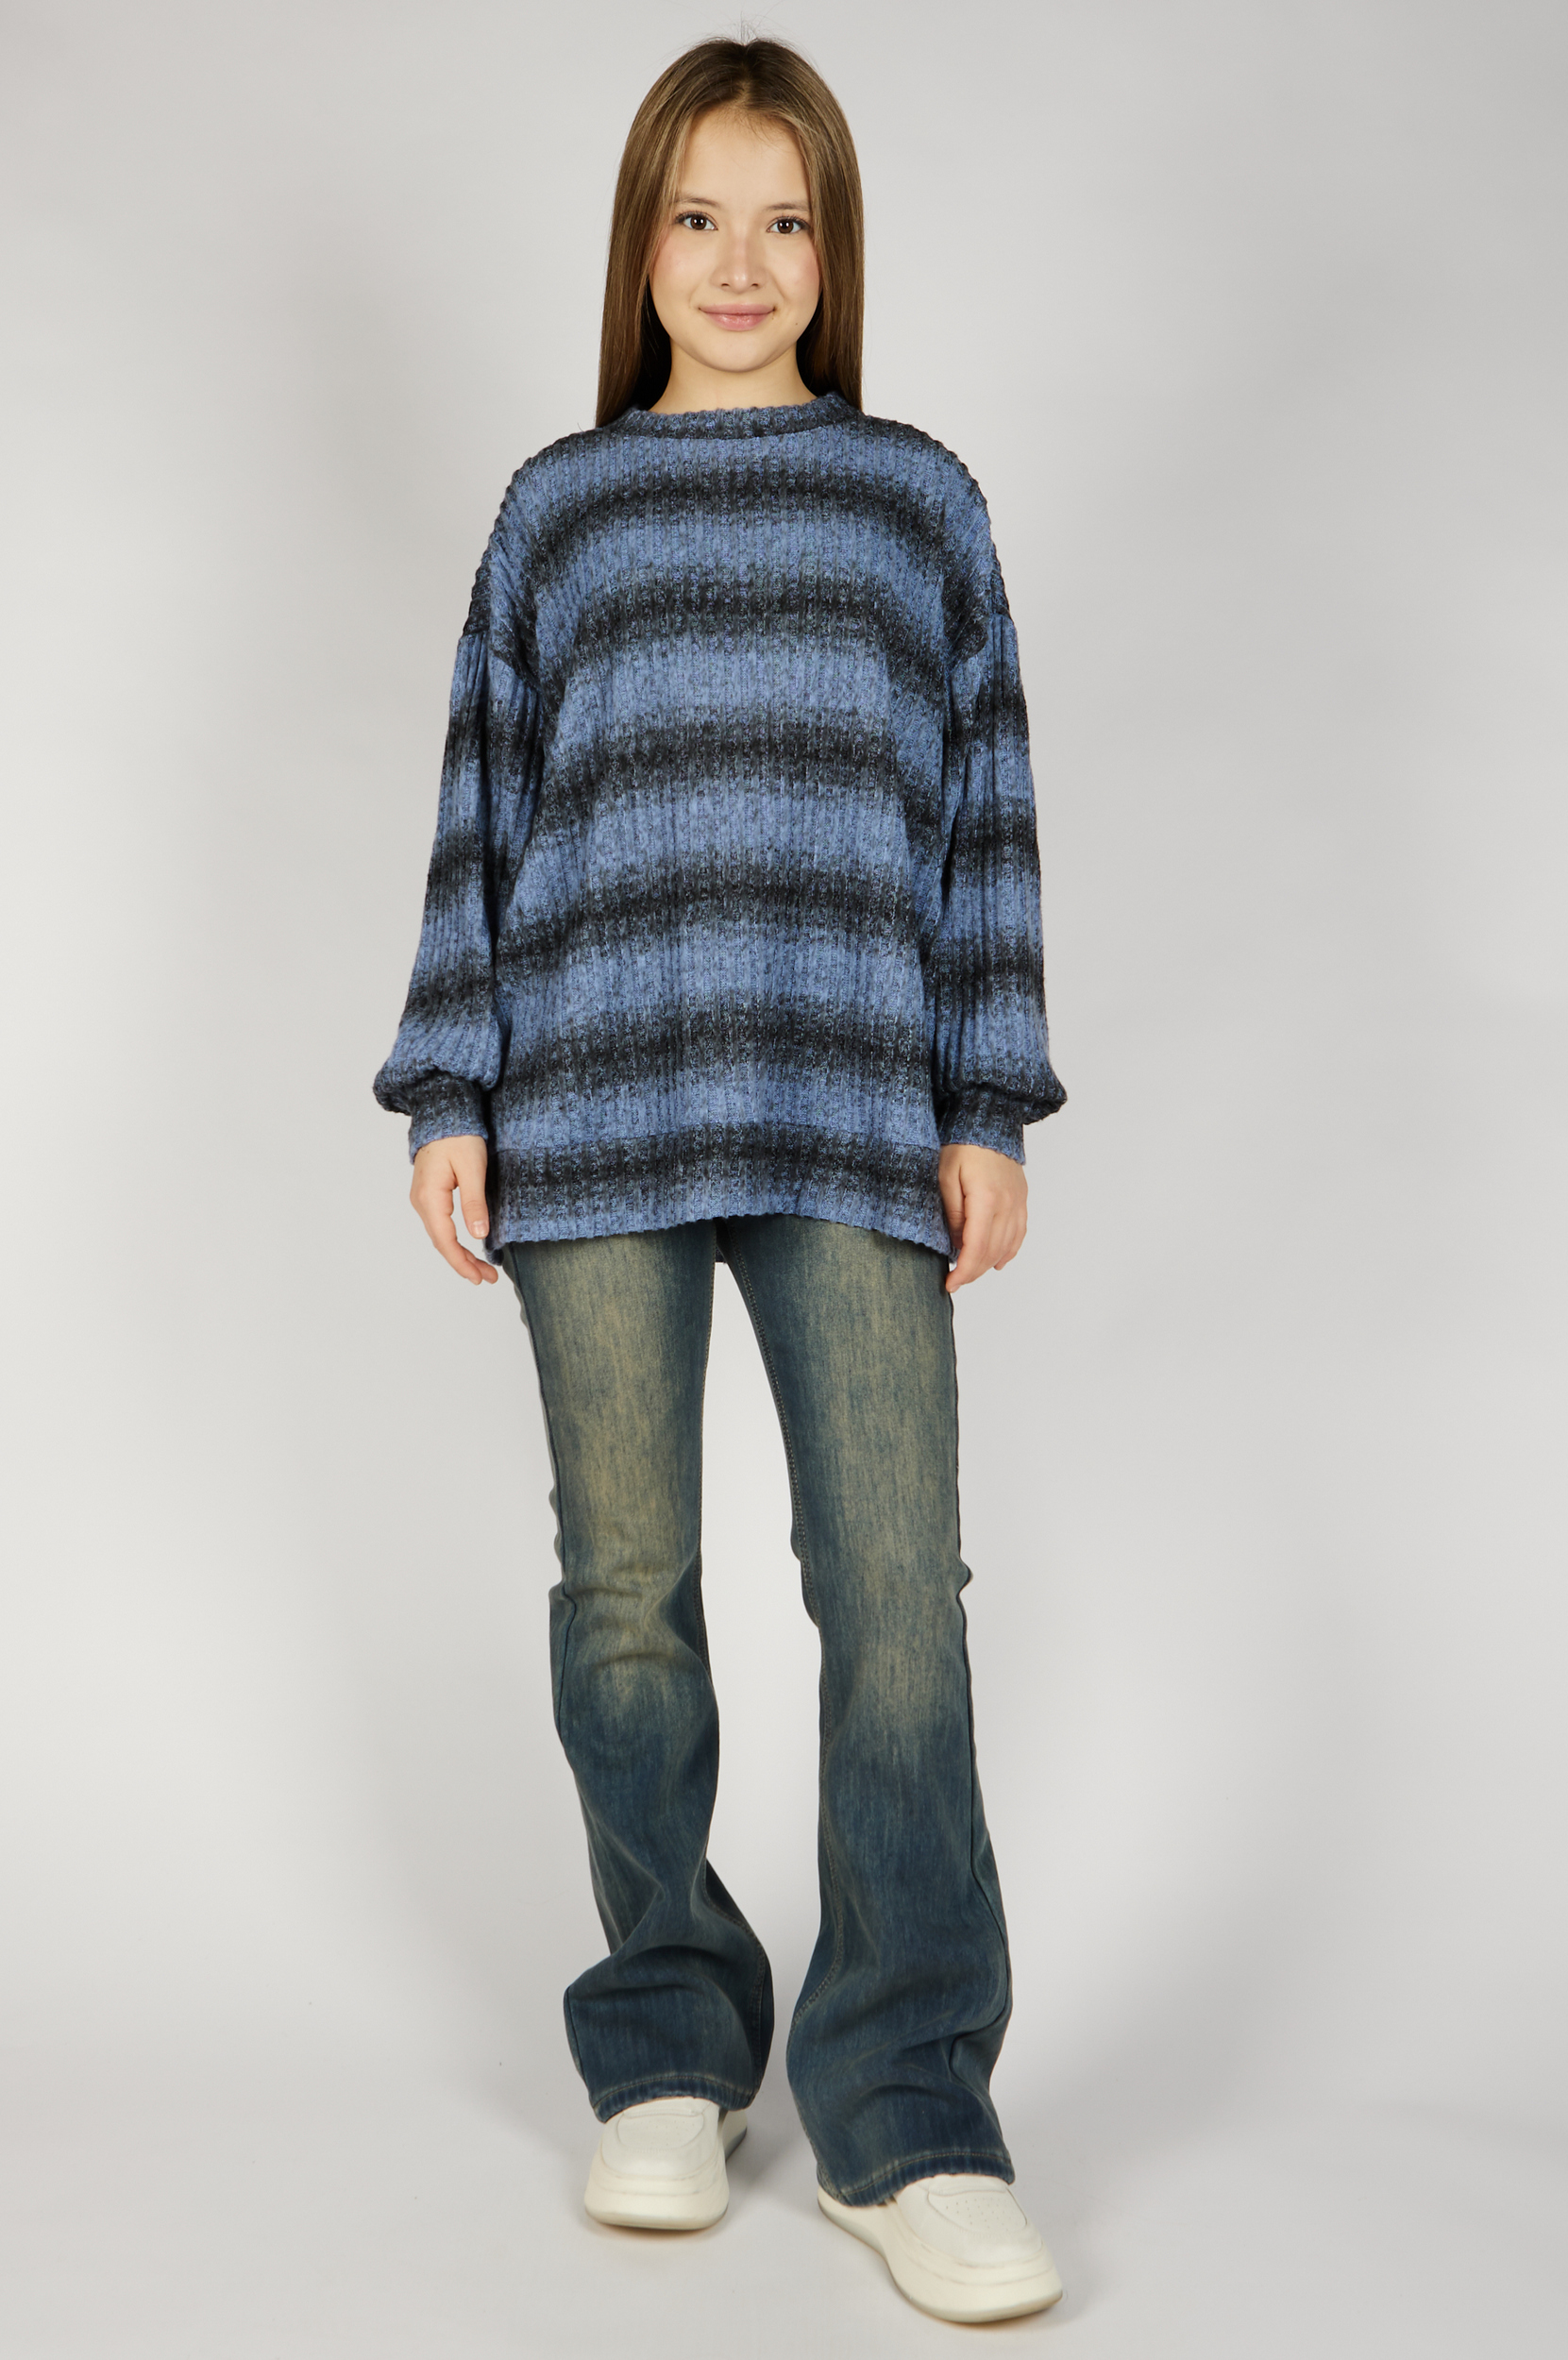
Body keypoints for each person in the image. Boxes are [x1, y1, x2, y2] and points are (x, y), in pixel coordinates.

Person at [372, 35, 1067, 2328]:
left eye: (786, 219)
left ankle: (908, 2102)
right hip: (591, 1114)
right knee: (625, 1600)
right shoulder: (559, 511)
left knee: (895, 1595)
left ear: (833, 250)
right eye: (698, 216)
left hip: (852, 1107)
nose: (741, 263)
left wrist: (987, 1098)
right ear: (640, 243)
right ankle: (671, 2033)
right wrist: (450, 1082)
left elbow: (985, 809)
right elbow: (485, 801)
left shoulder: (914, 502)